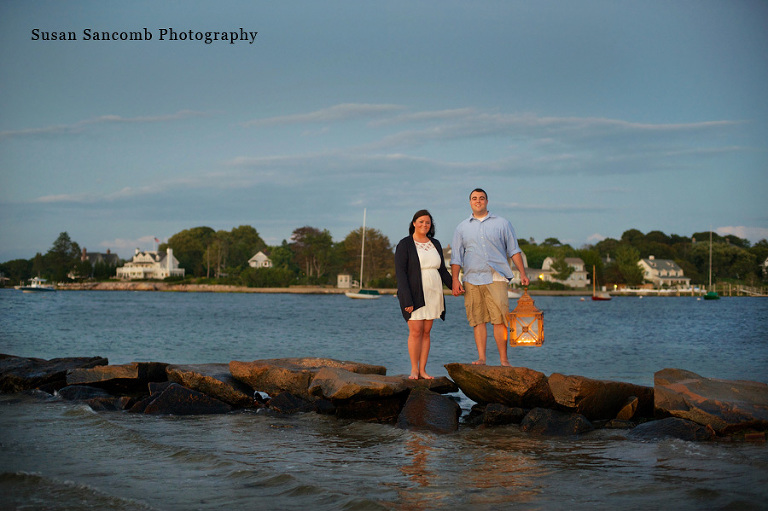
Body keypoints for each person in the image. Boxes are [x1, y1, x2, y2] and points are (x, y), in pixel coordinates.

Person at [451, 188, 530, 366]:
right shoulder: (462, 227)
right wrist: (455, 280)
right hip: (472, 278)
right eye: (474, 198)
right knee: (477, 319)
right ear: (470, 202)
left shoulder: (502, 223)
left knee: (500, 319)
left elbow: (514, 250)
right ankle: (482, 358)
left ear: (487, 201)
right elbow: (456, 257)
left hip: (497, 277)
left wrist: (523, 273)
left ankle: (504, 359)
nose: (478, 201)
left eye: (481, 198)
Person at [395, 209, 454, 380]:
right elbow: (401, 273)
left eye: (427, 222)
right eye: (421, 221)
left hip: (434, 291)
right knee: (415, 331)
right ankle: (414, 370)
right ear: (414, 223)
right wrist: (406, 298)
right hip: (413, 293)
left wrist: (454, 286)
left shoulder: (435, 243)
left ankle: (423, 370)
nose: (424, 225)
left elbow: (442, 270)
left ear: (431, 226)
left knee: (427, 332)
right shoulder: (405, 244)